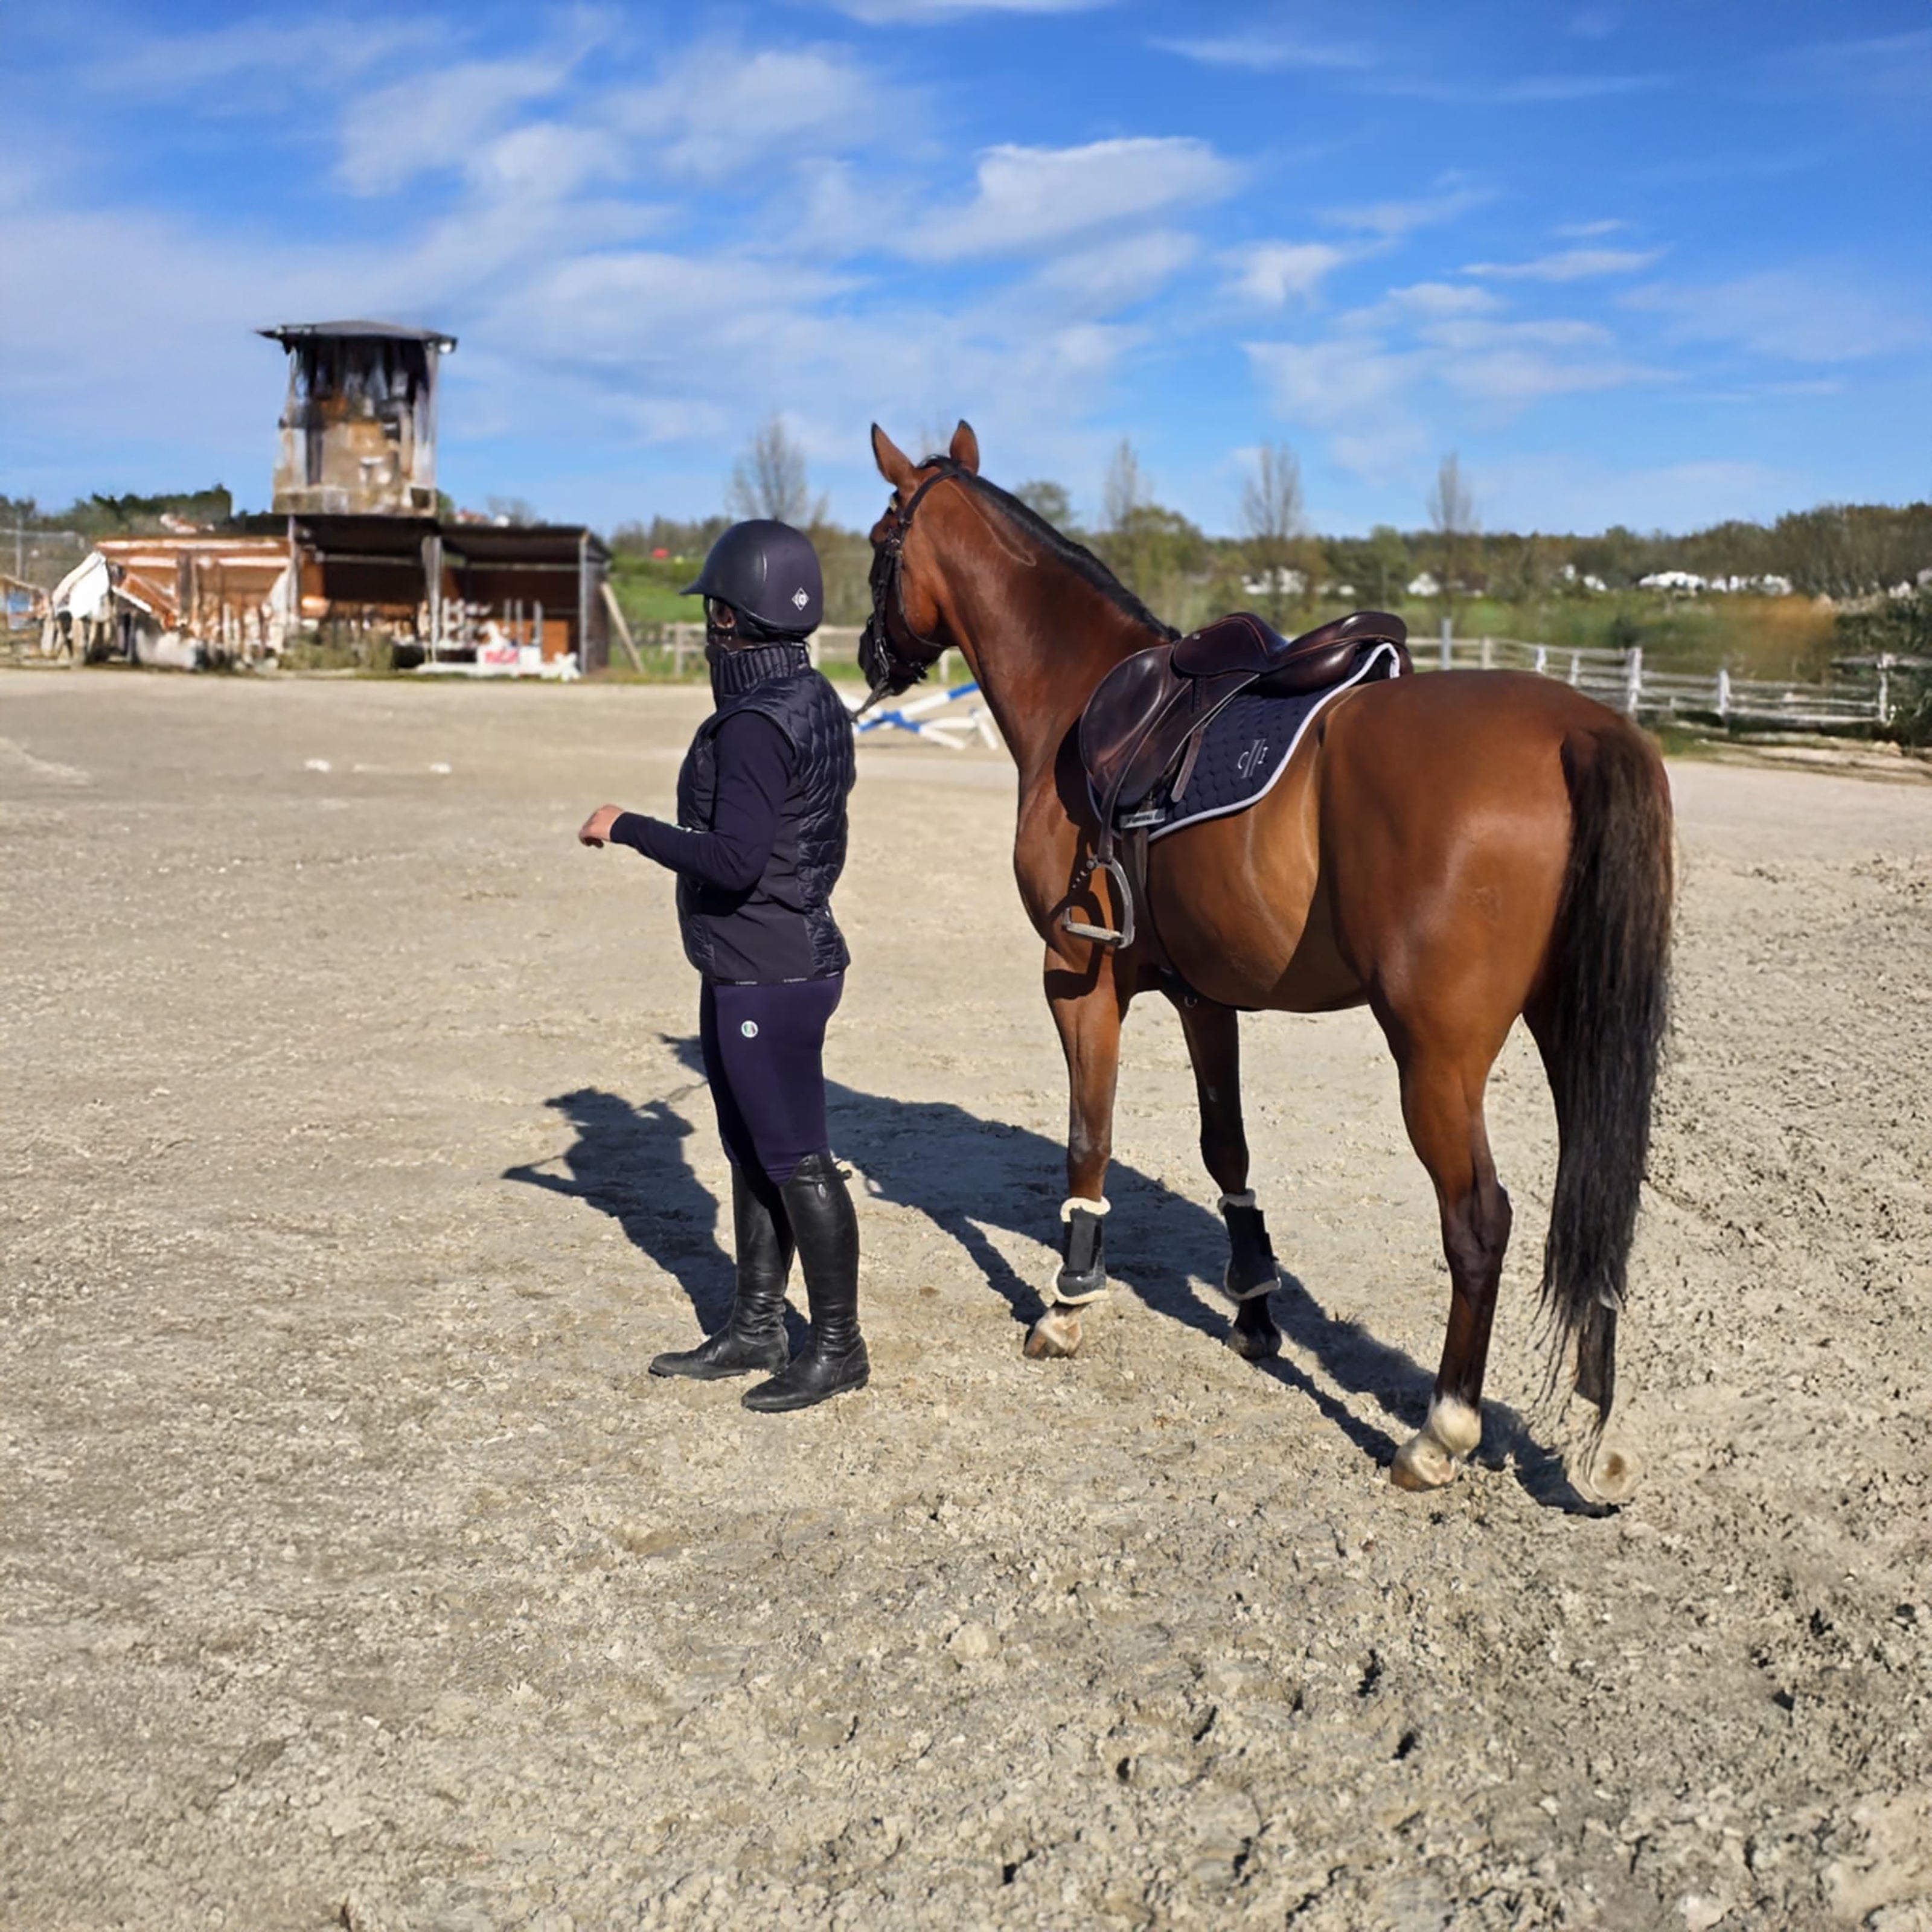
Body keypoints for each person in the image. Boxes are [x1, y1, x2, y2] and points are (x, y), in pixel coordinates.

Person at [578, 520, 865, 1412]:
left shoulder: (752, 726)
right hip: (762, 959)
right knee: (749, 1149)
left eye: (713, 612)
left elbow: (737, 860)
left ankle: (837, 1347)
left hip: (768, 972)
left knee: (795, 1157)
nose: (707, 629)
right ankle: (754, 1326)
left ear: (737, 621)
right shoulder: (813, 696)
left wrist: (625, 826)